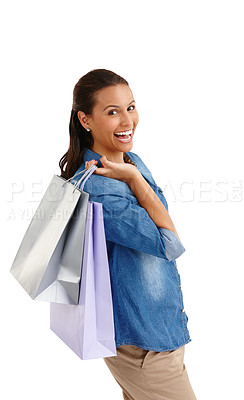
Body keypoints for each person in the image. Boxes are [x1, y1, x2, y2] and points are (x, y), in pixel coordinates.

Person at [59, 69, 197, 400]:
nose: (127, 121)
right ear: (85, 120)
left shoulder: (129, 160)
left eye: (130, 107)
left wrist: (133, 172)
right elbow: (169, 243)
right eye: (112, 112)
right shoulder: (102, 187)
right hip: (144, 344)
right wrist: (135, 179)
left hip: (156, 330)